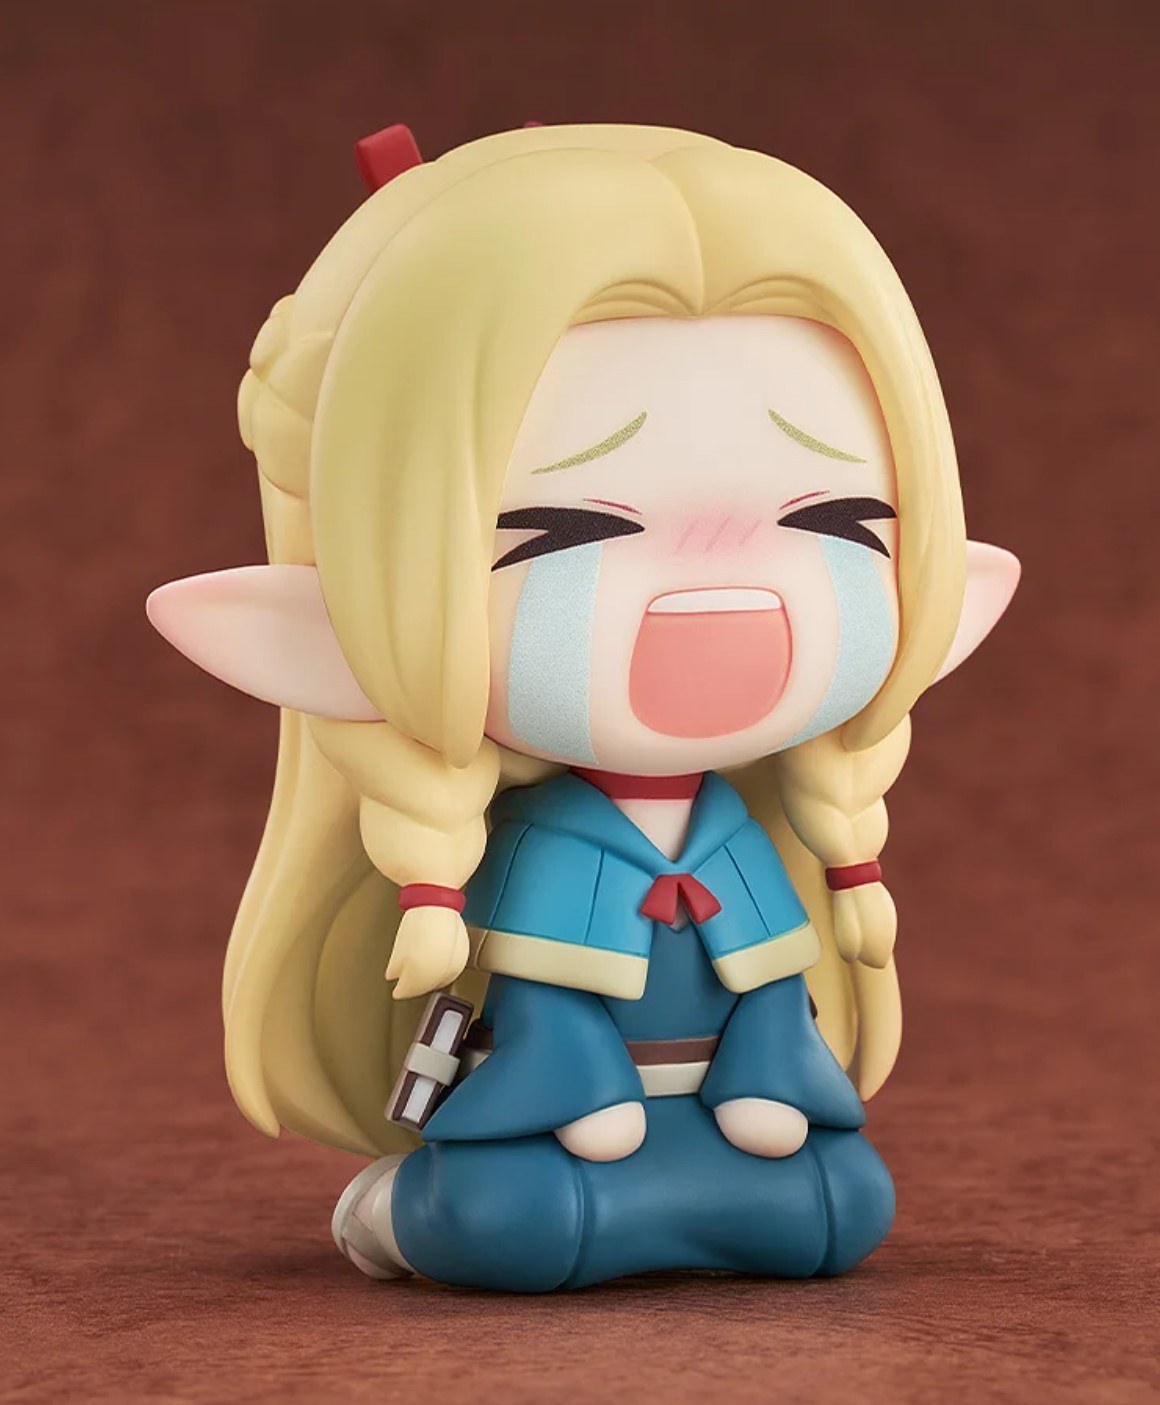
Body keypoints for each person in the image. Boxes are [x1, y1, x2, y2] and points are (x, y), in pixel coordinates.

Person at [147, 122, 1019, 1291]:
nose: (724, 589)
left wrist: (765, 1081)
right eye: (561, 532)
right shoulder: (547, 841)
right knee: (510, 1217)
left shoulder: (738, 834)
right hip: (568, 1117)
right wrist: (589, 1096)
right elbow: (540, 1003)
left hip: (727, 1110)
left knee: (841, 1197)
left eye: (832, 521)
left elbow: (770, 991)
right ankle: (429, 1209)